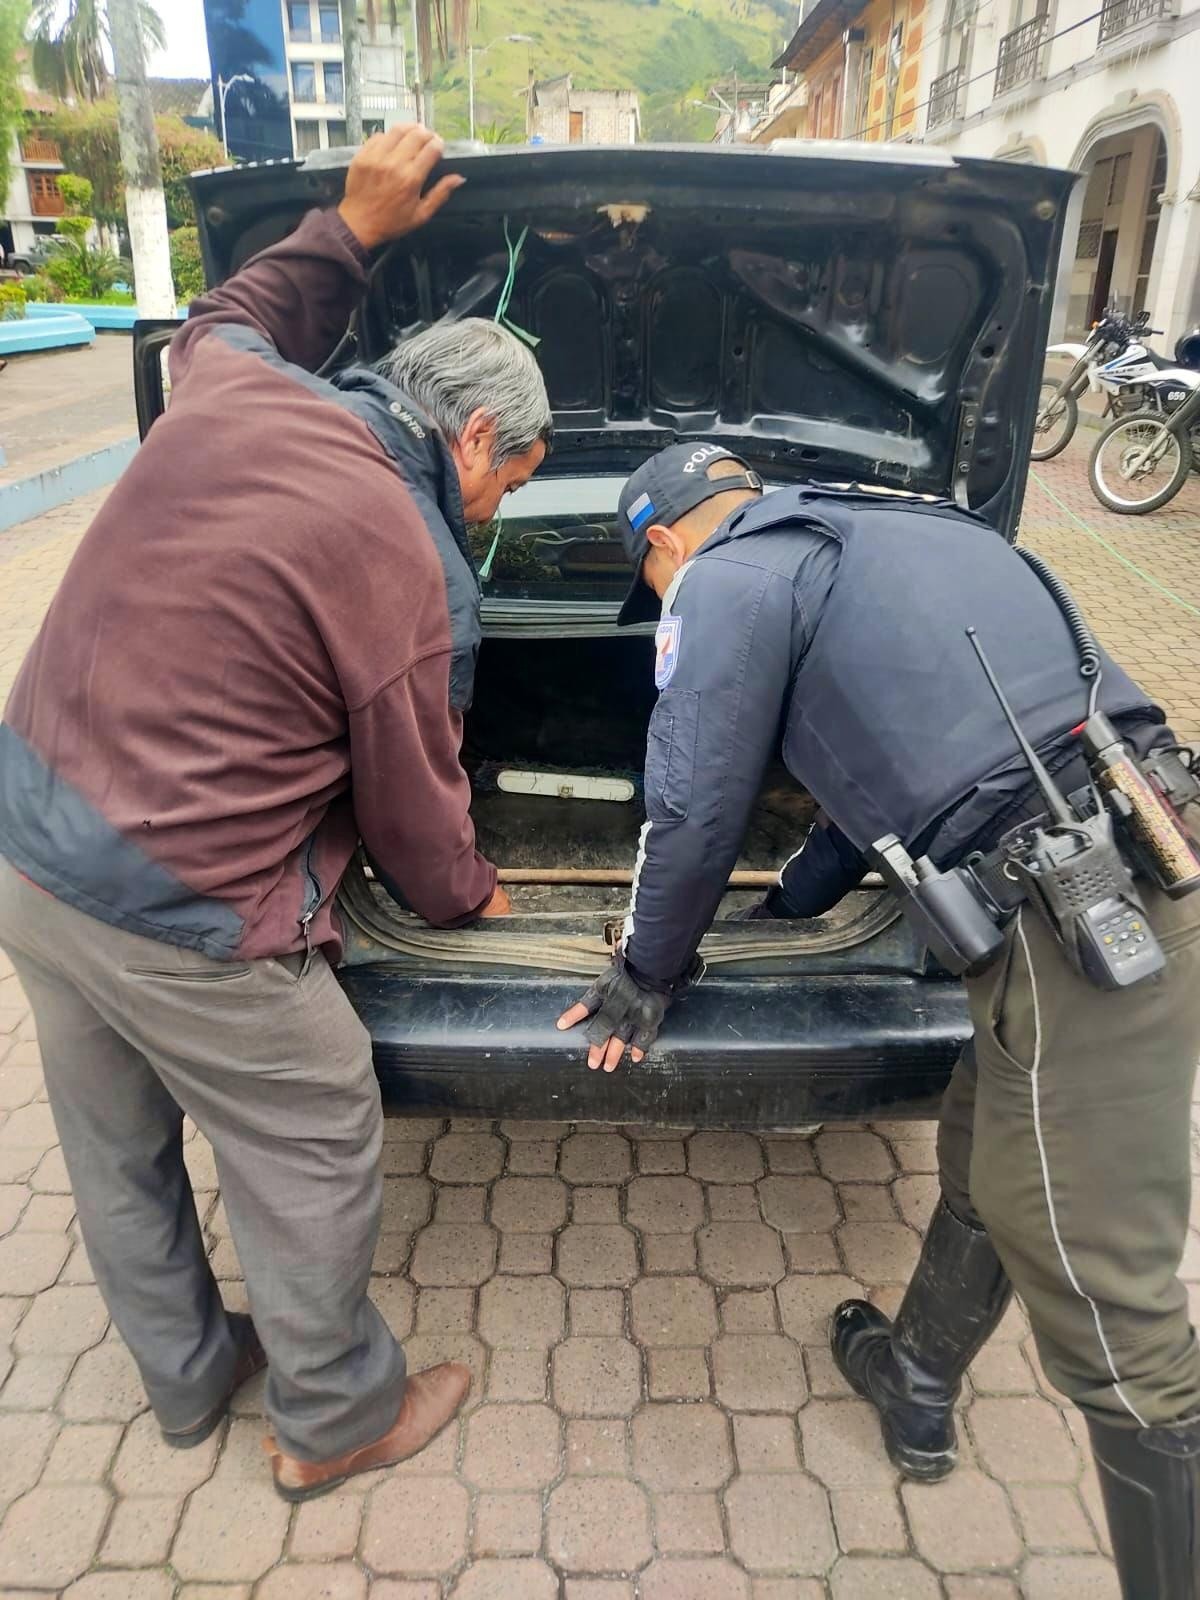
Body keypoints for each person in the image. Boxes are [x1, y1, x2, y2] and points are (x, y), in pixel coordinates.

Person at [0, 124, 552, 1501]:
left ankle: (186, 1381)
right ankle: (334, 1416)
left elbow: (231, 310)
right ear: (473, 435)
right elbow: (418, 811)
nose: (490, 516)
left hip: (24, 835)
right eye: (506, 485)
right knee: (314, 1121)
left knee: (112, 1133)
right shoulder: (404, 556)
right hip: (176, 901)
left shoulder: (236, 388)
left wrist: (354, 227)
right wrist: (474, 897)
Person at [558, 442, 1200, 1596]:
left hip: (1090, 920)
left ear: (662, 542)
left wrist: (645, 975)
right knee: (990, 1156)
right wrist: (793, 905)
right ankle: (913, 1377)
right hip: (1128, 847)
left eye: (649, 581)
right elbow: (890, 757)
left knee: (1120, 1321)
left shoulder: (725, 580)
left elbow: (694, 802)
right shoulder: (909, 527)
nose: (660, 596)